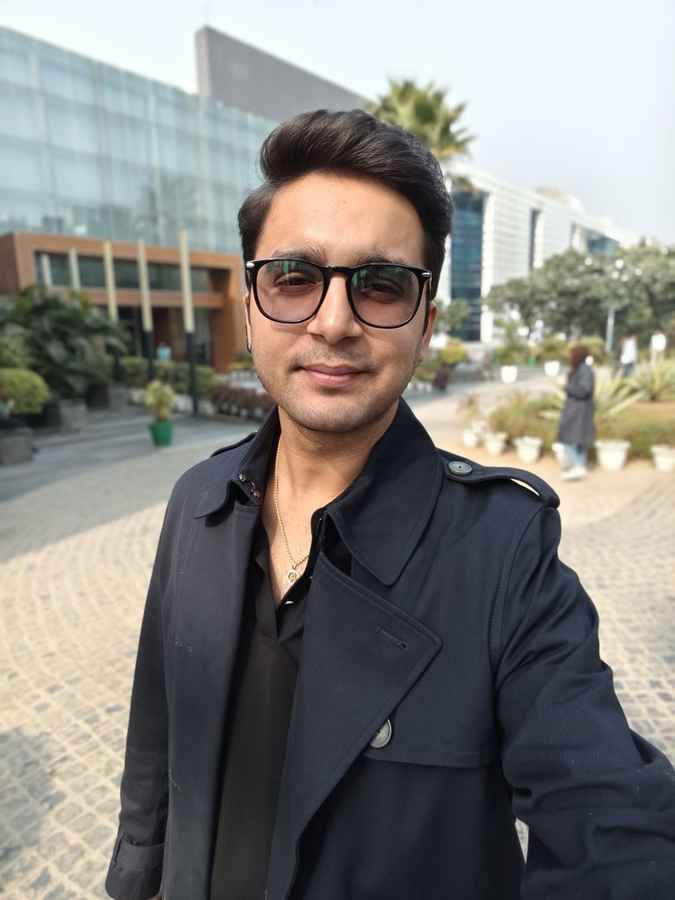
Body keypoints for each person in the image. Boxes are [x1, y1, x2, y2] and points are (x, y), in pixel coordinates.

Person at [105, 110, 675, 900]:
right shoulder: (198, 500)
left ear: (426, 323)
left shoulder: (500, 548)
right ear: (250, 305)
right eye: (294, 276)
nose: (333, 322)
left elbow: (606, 813)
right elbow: (155, 737)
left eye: (380, 285)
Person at [557, 345, 595, 481]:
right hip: (575, 410)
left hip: (579, 411)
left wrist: (566, 386)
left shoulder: (585, 369)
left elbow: (584, 390)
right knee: (574, 439)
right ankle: (577, 466)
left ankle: (578, 467)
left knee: (573, 439)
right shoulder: (579, 368)